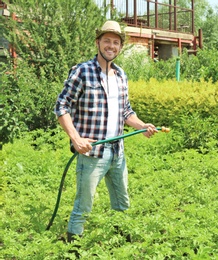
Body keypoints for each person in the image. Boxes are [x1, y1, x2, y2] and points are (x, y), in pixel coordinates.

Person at [54, 20, 158, 243]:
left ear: (120, 47)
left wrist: (142, 126)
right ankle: (72, 250)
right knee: (84, 206)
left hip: (117, 153)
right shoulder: (82, 71)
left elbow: (126, 112)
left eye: (116, 42)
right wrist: (76, 138)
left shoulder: (121, 75)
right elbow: (62, 106)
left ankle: (121, 245)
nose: (111, 46)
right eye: (107, 41)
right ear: (98, 43)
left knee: (122, 202)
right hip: (92, 154)